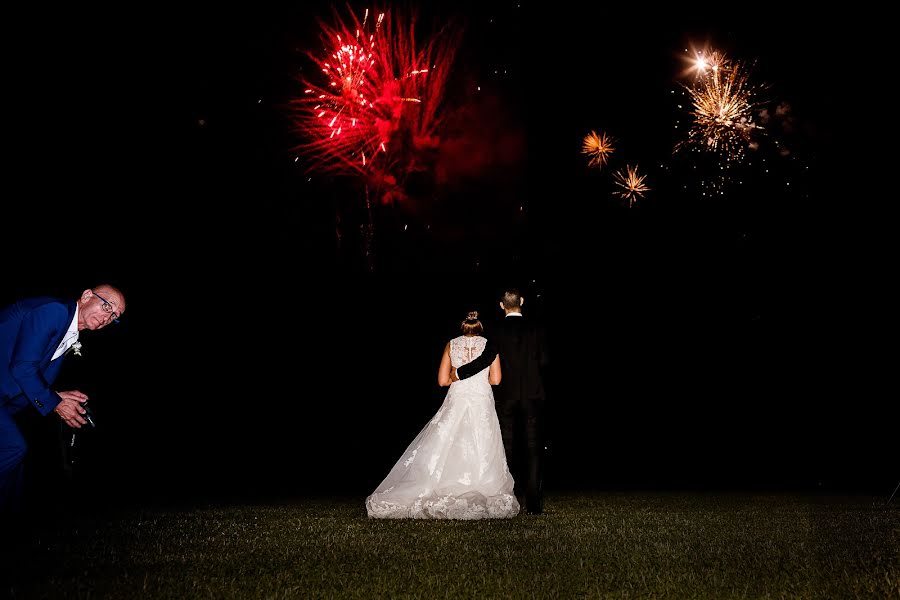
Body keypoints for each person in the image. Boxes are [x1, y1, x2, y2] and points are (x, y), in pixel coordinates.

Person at [366, 311, 519, 519]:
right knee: (482, 442)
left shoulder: (451, 344)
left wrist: (456, 375)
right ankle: (480, 484)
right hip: (481, 400)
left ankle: (440, 484)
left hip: (457, 398)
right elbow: (497, 380)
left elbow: (442, 381)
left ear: (463, 326)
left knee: (447, 441)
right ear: (480, 327)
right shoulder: (489, 346)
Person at [0, 285, 125, 519]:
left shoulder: (70, 333)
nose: (108, 317)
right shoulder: (55, 311)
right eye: (107, 306)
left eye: (114, 316)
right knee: (12, 447)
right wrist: (55, 403)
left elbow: (28, 364)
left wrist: (57, 395)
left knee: (15, 467)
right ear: (87, 296)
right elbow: (22, 368)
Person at [453, 288, 548, 514]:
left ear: (501, 305)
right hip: (533, 395)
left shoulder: (496, 331)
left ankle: (507, 500)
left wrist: (459, 373)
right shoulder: (537, 329)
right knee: (534, 449)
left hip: (506, 396)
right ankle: (534, 505)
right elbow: (545, 361)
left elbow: (486, 359)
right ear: (522, 302)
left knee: (506, 447)